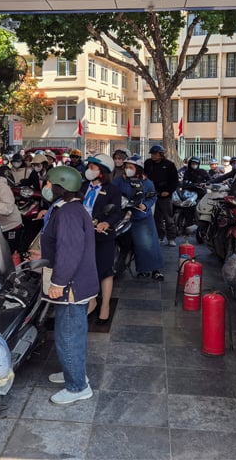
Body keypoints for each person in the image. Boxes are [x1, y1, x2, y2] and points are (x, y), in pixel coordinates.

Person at [41, 166, 99, 405]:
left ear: (59, 186)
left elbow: (70, 251)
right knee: (73, 331)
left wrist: (58, 282)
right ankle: (73, 371)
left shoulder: (69, 213)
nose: (45, 187)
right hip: (75, 280)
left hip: (71, 284)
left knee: (67, 335)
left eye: (48, 183)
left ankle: (77, 387)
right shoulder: (69, 209)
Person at [80, 153, 122, 325]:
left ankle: (105, 305)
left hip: (102, 236)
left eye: (93, 167)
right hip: (82, 235)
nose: (89, 170)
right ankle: (91, 300)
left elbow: (117, 212)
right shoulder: (82, 186)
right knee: (85, 269)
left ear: (103, 171)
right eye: (89, 166)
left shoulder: (113, 190)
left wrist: (106, 222)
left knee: (105, 270)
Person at [113, 155, 165, 280]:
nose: (127, 169)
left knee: (148, 244)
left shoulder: (147, 182)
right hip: (124, 215)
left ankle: (155, 270)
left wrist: (145, 205)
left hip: (142, 217)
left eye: (131, 167)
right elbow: (111, 190)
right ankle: (142, 269)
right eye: (126, 167)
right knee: (135, 244)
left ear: (138, 169)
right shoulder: (120, 180)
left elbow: (152, 197)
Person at [144, 144, 179, 246]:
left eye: (155, 154)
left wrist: (168, 191)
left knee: (168, 217)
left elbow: (174, 181)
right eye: (152, 154)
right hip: (151, 194)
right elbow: (145, 176)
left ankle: (171, 238)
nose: (153, 156)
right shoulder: (148, 163)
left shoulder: (169, 165)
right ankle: (160, 236)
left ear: (161, 154)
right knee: (156, 218)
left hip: (165, 195)